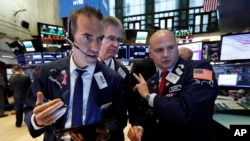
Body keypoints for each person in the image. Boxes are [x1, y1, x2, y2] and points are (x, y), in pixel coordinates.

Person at [24, 6, 127, 141]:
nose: (95, 47)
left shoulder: (113, 78)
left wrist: (106, 132)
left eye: (99, 38)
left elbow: (120, 119)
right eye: (87, 37)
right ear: (70, 37)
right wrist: (37, 120)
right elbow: (29, 110)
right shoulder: (48, 72)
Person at [127, 29, 218, 141]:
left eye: (170, 48)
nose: (166, 54)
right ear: (151, 54)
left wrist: (148, 96)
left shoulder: (200, 69)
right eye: (159, 50)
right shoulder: (151, 81)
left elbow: (189, 111)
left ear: (177, 47)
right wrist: (139, 127)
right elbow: (145, 111)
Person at [98, 16, 129, 118]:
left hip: (114, 130)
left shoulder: (123, 71)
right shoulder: (84, 66)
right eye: (111, 38)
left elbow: (123, 108)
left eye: (118, 40)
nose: (116, 45)